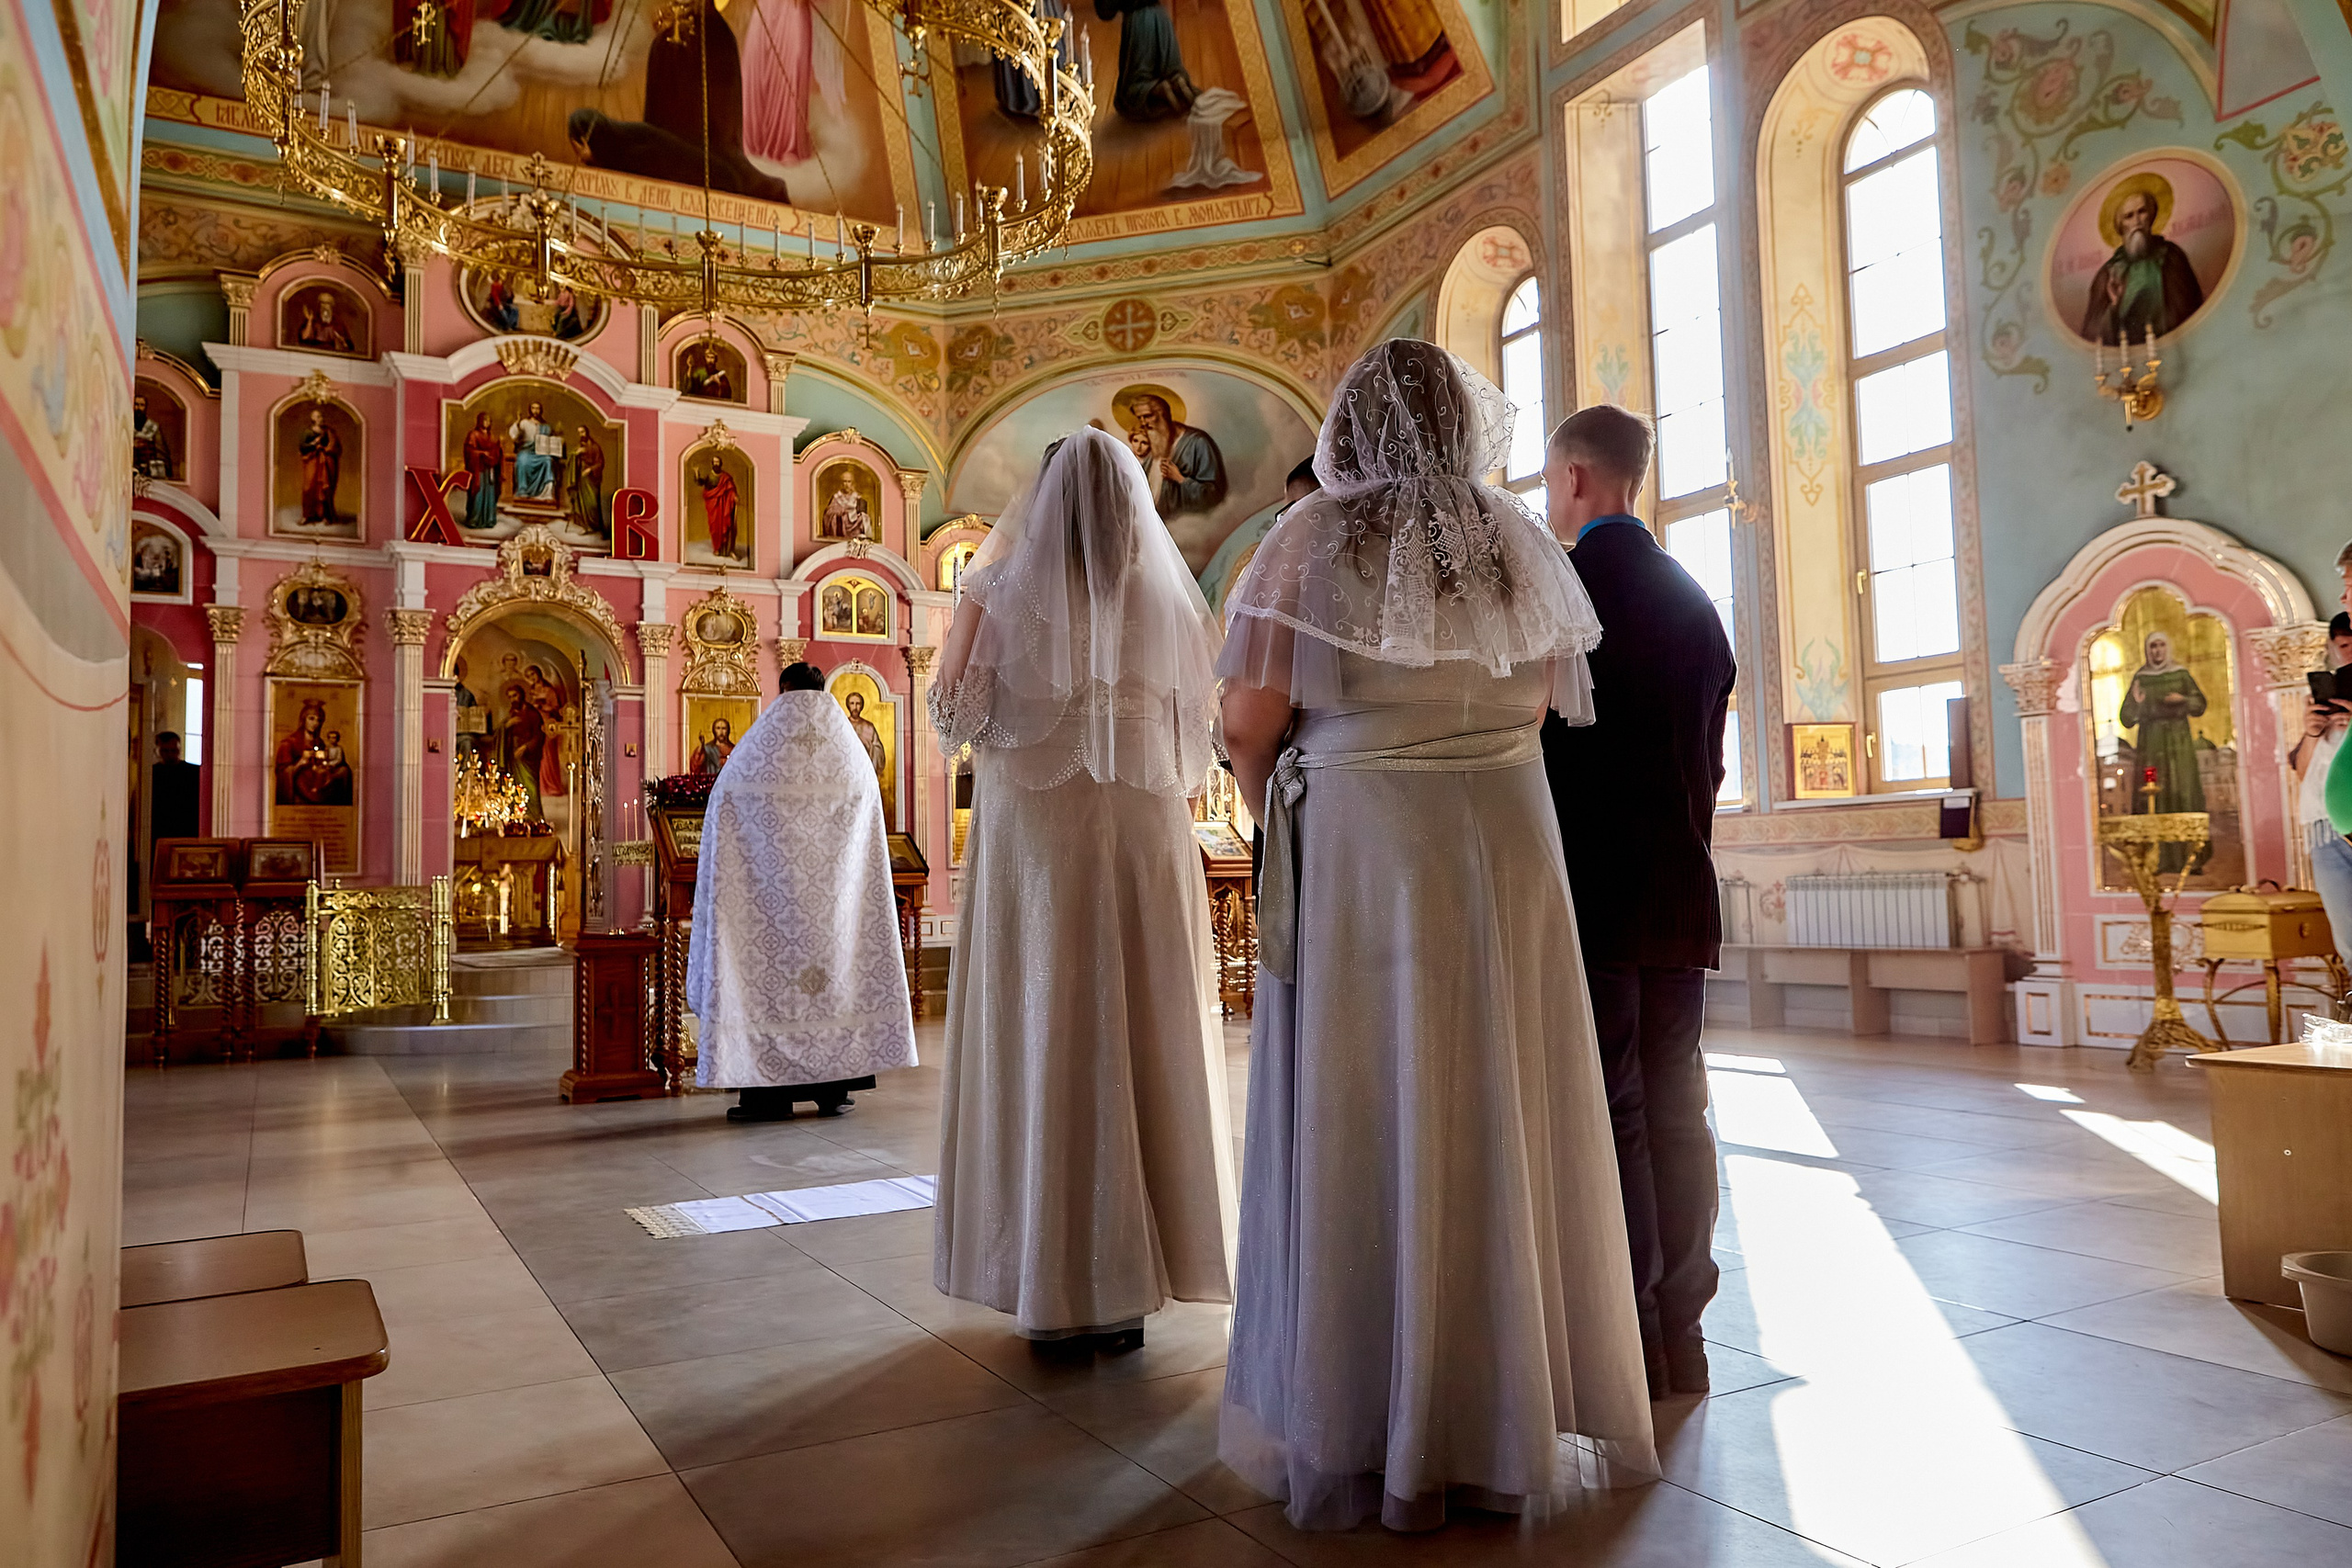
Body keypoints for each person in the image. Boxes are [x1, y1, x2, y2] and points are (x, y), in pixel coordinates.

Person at [1217, 341, 1653, 1530]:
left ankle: (1368, 1407)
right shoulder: (1518, 540)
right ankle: (1494, 1405)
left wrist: (1278, 816)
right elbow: (1549, 697)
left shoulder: (1308, 542)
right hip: (1505, 845)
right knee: (1496, 1101)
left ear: (1352, 429)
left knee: (1370, 1100)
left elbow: (1249, 723)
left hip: (1367, 844)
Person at [930, 425, 1234, 1352]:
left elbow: (950, 714)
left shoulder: (999, 584)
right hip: (1141, 829)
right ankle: (1140, 1271)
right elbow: (1203, 732)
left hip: (1038, 833)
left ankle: (1051, 1273)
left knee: (1047, 1020)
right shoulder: (1168, 598)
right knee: (1142, 1019)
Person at [1538, 404, 1736, 1401]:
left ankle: (1637, 1331)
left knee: (1615, 1106)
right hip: (1679, 890)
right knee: (1678, 1105)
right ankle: (1688, 1335)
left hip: (1592, 890)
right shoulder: (1695, 599)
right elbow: (1709, 761)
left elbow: (1532, 756)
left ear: (1575, 477)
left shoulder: (1561, 593)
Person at [688, 662, 918, 1120]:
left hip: (766, 907)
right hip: (836, 906)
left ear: (783, 690)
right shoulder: (850, 754)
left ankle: (769, 1097)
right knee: (834, 982)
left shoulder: (759, 751)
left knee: (769, 984)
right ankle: (835, 1089)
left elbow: (725, 805)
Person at [2294, 605, 2352, 973]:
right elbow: (2302, 771)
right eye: (2344, 646)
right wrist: (2313, 731)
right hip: (2323, 826)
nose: (2350, 653)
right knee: (2347, 936)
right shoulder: (2324, 695)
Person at [2080, 176, 2205, 345]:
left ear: (2151, 216)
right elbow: (2093, 337)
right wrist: (2115, 307)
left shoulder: (2171, 257)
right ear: (2120, 225)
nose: (2137, 222)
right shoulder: (2107, 274)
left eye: (2142, 212)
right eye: (2129, 216)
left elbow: (2191, 311)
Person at [1122, 392, 1226, 518]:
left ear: (1163, 415)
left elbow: (1214, 496)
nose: (1143, 423)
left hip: (1187, 526)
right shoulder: (1153, 446)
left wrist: (1180, 479)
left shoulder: (1198, 443)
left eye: (1147, 416)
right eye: (1140, 418)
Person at [1091, 0, 1196, 120]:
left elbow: (1105, 12)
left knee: (1134, 87)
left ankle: (1159, 88)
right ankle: (1178, 81)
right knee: (1170, 69)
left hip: (1139, 22)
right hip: (1162, 18)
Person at [151, 732, 200, 841]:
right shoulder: (151, 774)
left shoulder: (194, 773)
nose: (170, 755)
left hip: (187, 828)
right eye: (165, 750)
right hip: (159, 828)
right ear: (157, 751)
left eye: (174, 751)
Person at [298, 407, 342, 525]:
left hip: (325, 462)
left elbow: (336, 446)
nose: (320, 419)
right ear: (312, 418)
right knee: (309, 488)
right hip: (312, 461)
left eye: (321, 416)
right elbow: (302, 447)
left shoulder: (328, 431)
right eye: (317, 416)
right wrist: (314, 444)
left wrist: (326, 449)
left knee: (325, 488)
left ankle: (326, 516)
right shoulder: (308, 432)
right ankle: (307, 515)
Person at [509, 402, 558, 502]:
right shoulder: (524, 423)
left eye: (538, 409)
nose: (535, 411)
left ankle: (546, 493)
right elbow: (515, 436)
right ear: (530, 410)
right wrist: (517, 422)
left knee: (547, 461)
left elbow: (550, 441)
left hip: (540, 453)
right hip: (526, 451)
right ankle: (523, 490)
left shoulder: (546, 426)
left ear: (541, 411)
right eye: (533, 408)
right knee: (523, 462)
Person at [463, 412, 503, 528]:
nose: (486, 422)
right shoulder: (473, 435)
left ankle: (489, 519)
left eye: (489, 420)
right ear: (479, 421)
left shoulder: (492, 436)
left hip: (490, 469)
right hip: (478, 470)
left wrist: (496, 453)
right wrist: (482, 454)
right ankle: (474, 519)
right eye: (484, 420)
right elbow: (469, 451)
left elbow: (497, 451)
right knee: (478, 493)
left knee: (490, 494)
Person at [695, 459, 742, 559]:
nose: (716, 464)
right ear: (712, 464)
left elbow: (731, 489)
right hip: (713, 505)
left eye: (717, 462)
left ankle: (729, 550)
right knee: (715, 526)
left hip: (724, 504)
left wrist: (734, 496)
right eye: (714, 462)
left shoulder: (726, 477)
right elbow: (701, 483)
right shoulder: (710, 476)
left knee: (726, 526)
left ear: (720, 463)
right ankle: (717, 548)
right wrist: (696, 473)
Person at [567, 423, 606, 537]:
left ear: (587, 433)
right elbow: (571, 459)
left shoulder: (595, 447)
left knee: (592, 504)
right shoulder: (579, 447)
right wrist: (575, 455)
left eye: (583, 432)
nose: (581, 435)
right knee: (581, 504)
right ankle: (586, 527)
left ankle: (595, 526)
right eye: (579, 433)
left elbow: (600, 463)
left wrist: (590, 469)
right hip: (581, 479)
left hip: (591, 479)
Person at [132, 394, 173, 479]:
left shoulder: (153, 427)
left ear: (145, 407)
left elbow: (161, 451)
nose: (138, 408)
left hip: (148, 471)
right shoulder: (126, 424)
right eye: (136, 404)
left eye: (142, 405)